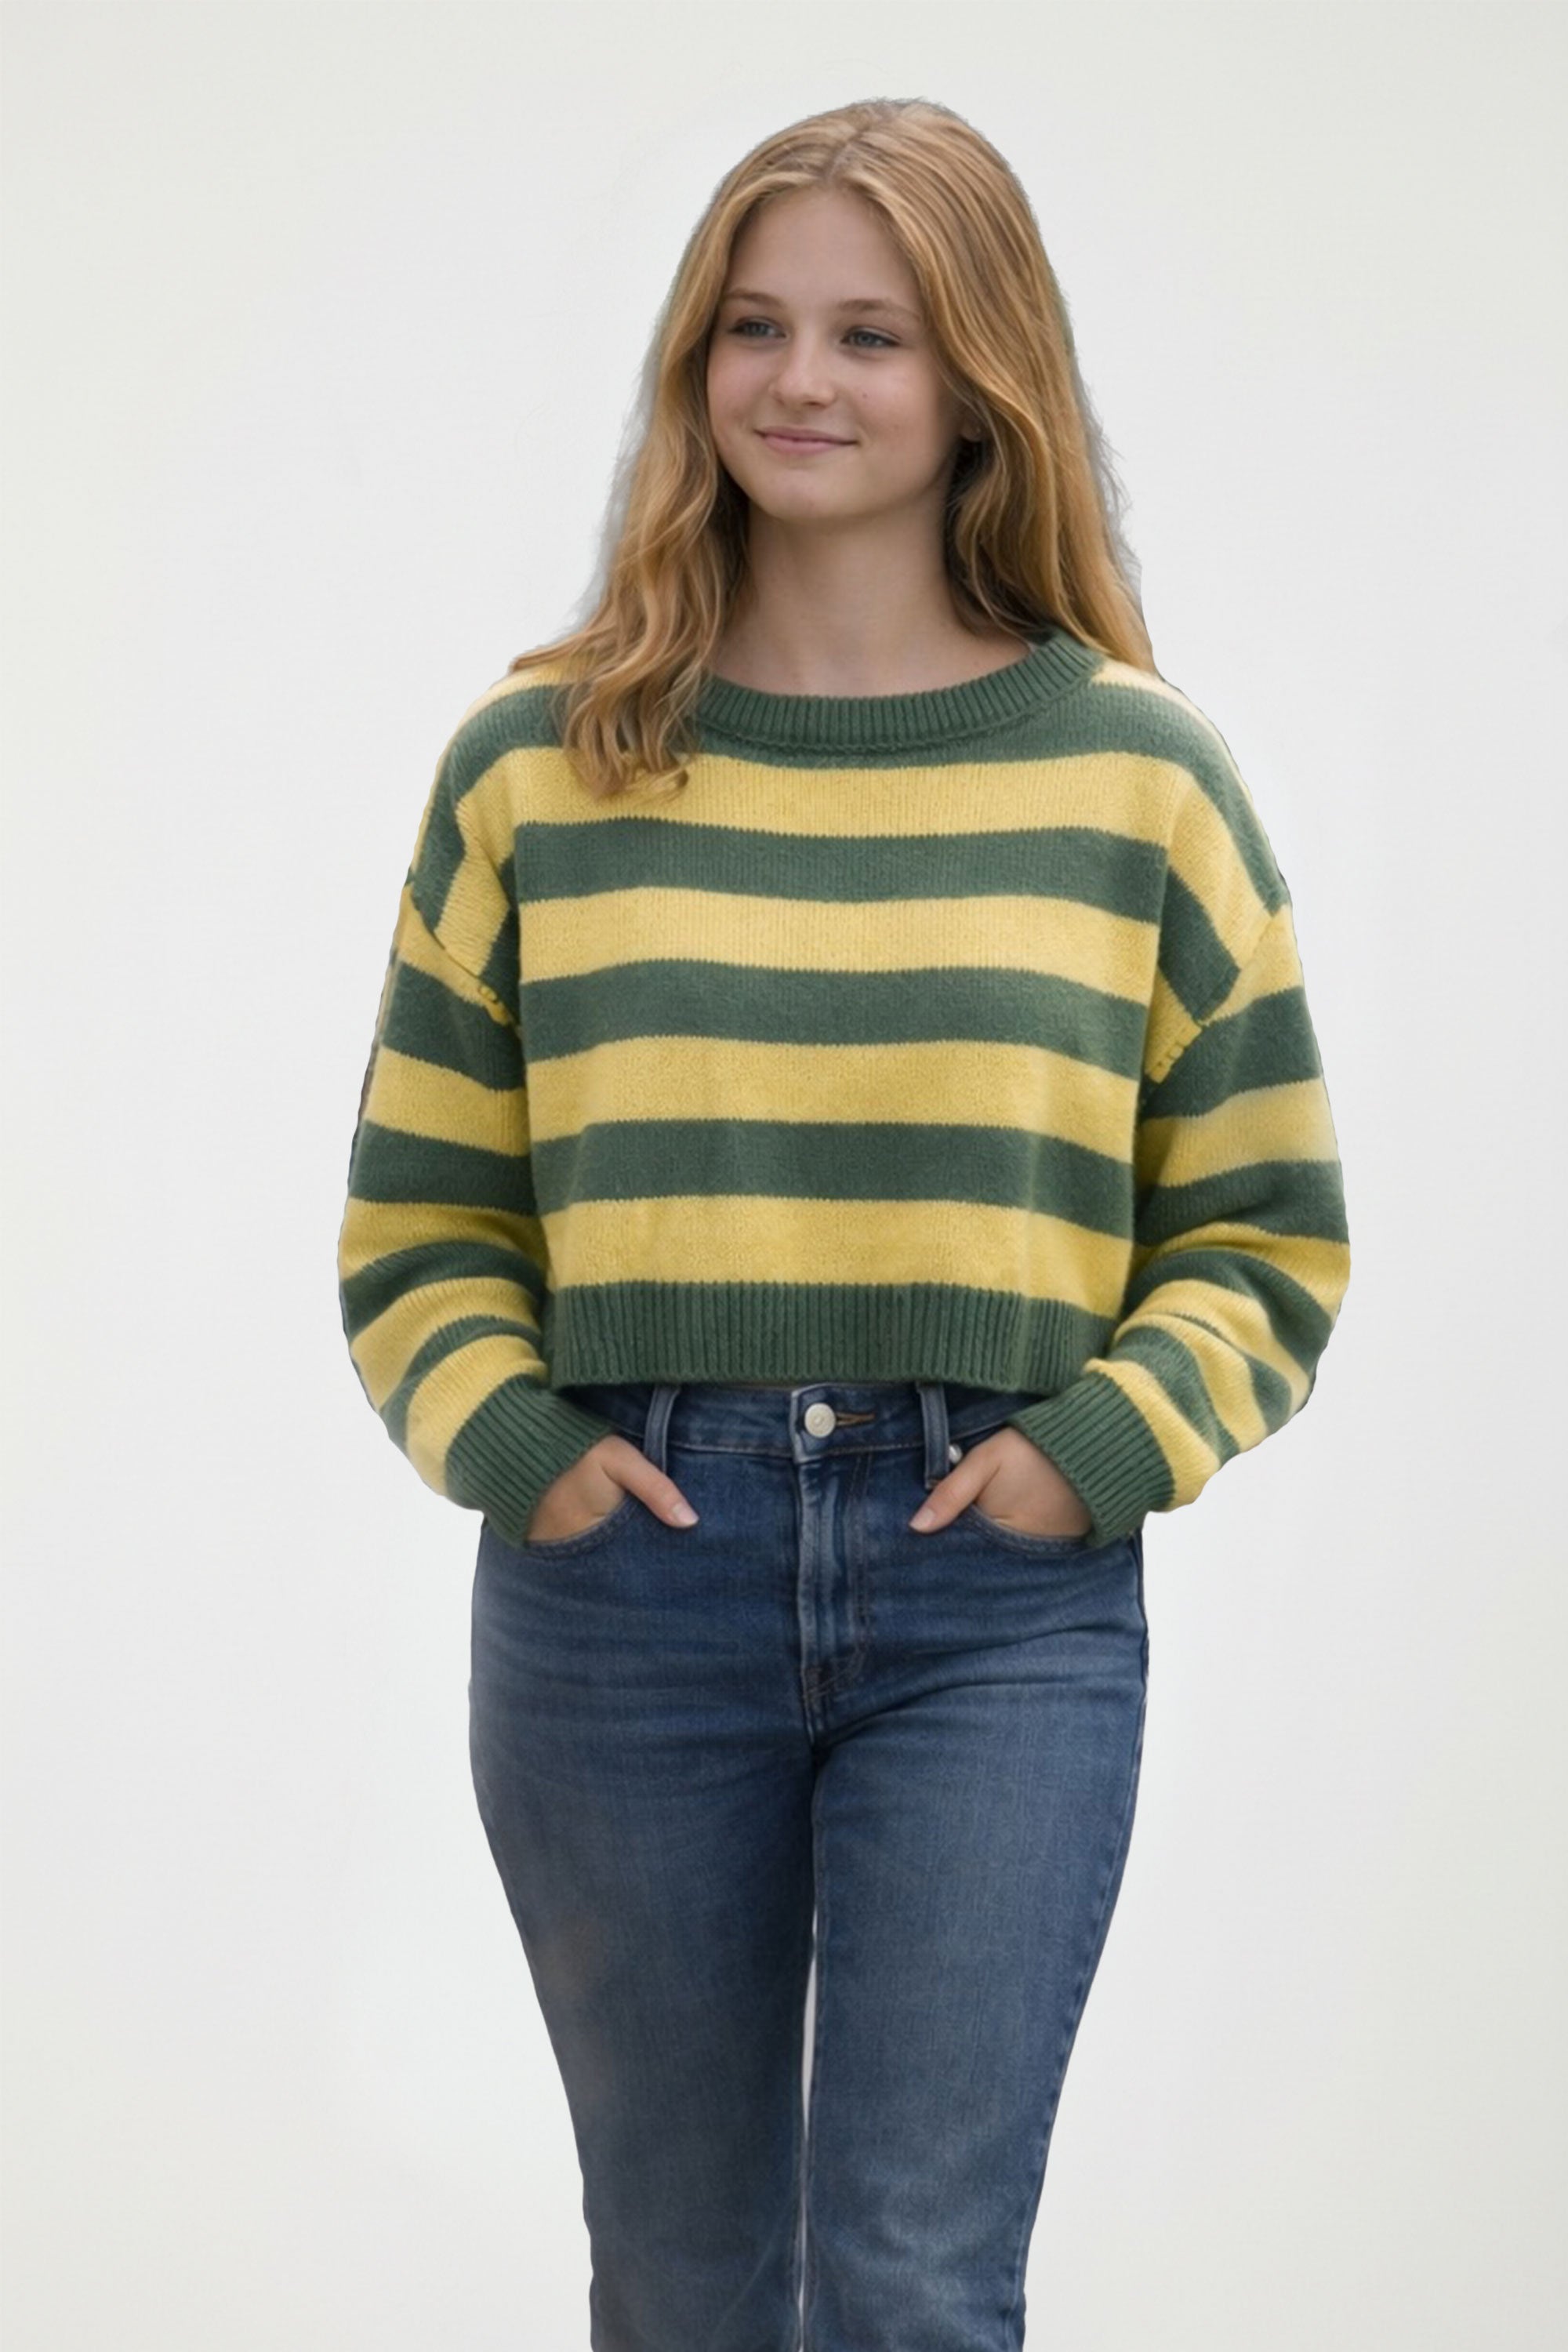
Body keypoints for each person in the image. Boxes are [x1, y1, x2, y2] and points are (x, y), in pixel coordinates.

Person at [336, 95, 1350, 2352]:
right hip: (627, 1578)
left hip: (1000, 1598)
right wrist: (523, 1447)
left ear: (983, 378)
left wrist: (1101, 1448)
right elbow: (424, 1213)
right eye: (756, 325)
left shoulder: (1140, 776)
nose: (801, 380)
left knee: (915, 2283)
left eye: (872, 334)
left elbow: (1264, 1228)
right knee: (683, 2281)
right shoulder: (541, 763)